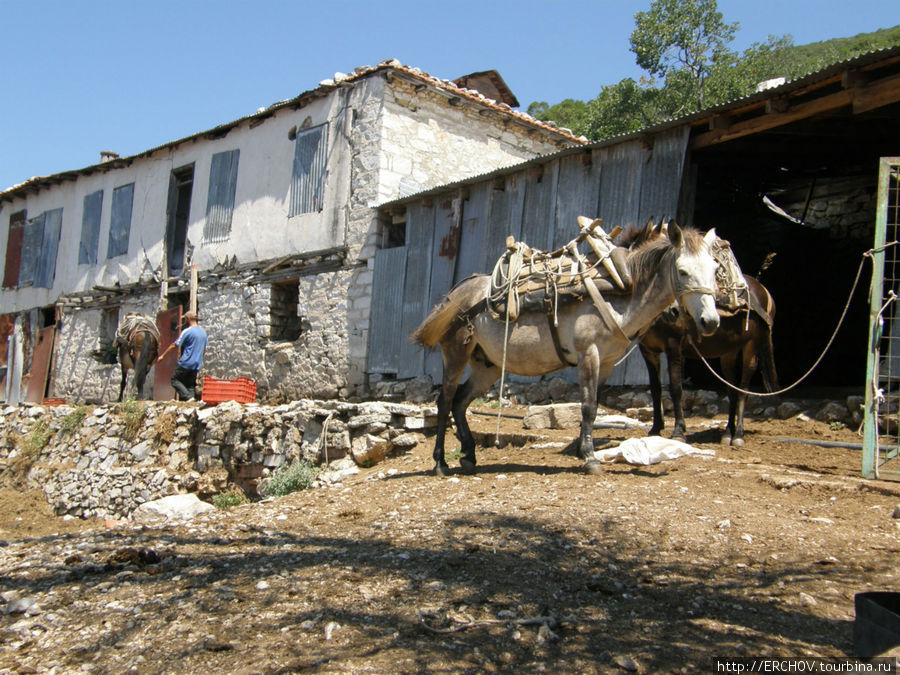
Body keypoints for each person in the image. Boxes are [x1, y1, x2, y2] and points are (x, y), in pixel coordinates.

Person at [156, 311, 208, 401]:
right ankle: (191, 401)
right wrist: (199, 359)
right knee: (190, 385)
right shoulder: (203, 332)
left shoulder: (187, 331)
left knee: (174, 380)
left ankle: (188, 397)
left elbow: (174, 345)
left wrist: (163, 356)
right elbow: (204, 349)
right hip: (196, 363)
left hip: (186, 362)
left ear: (187, 319)